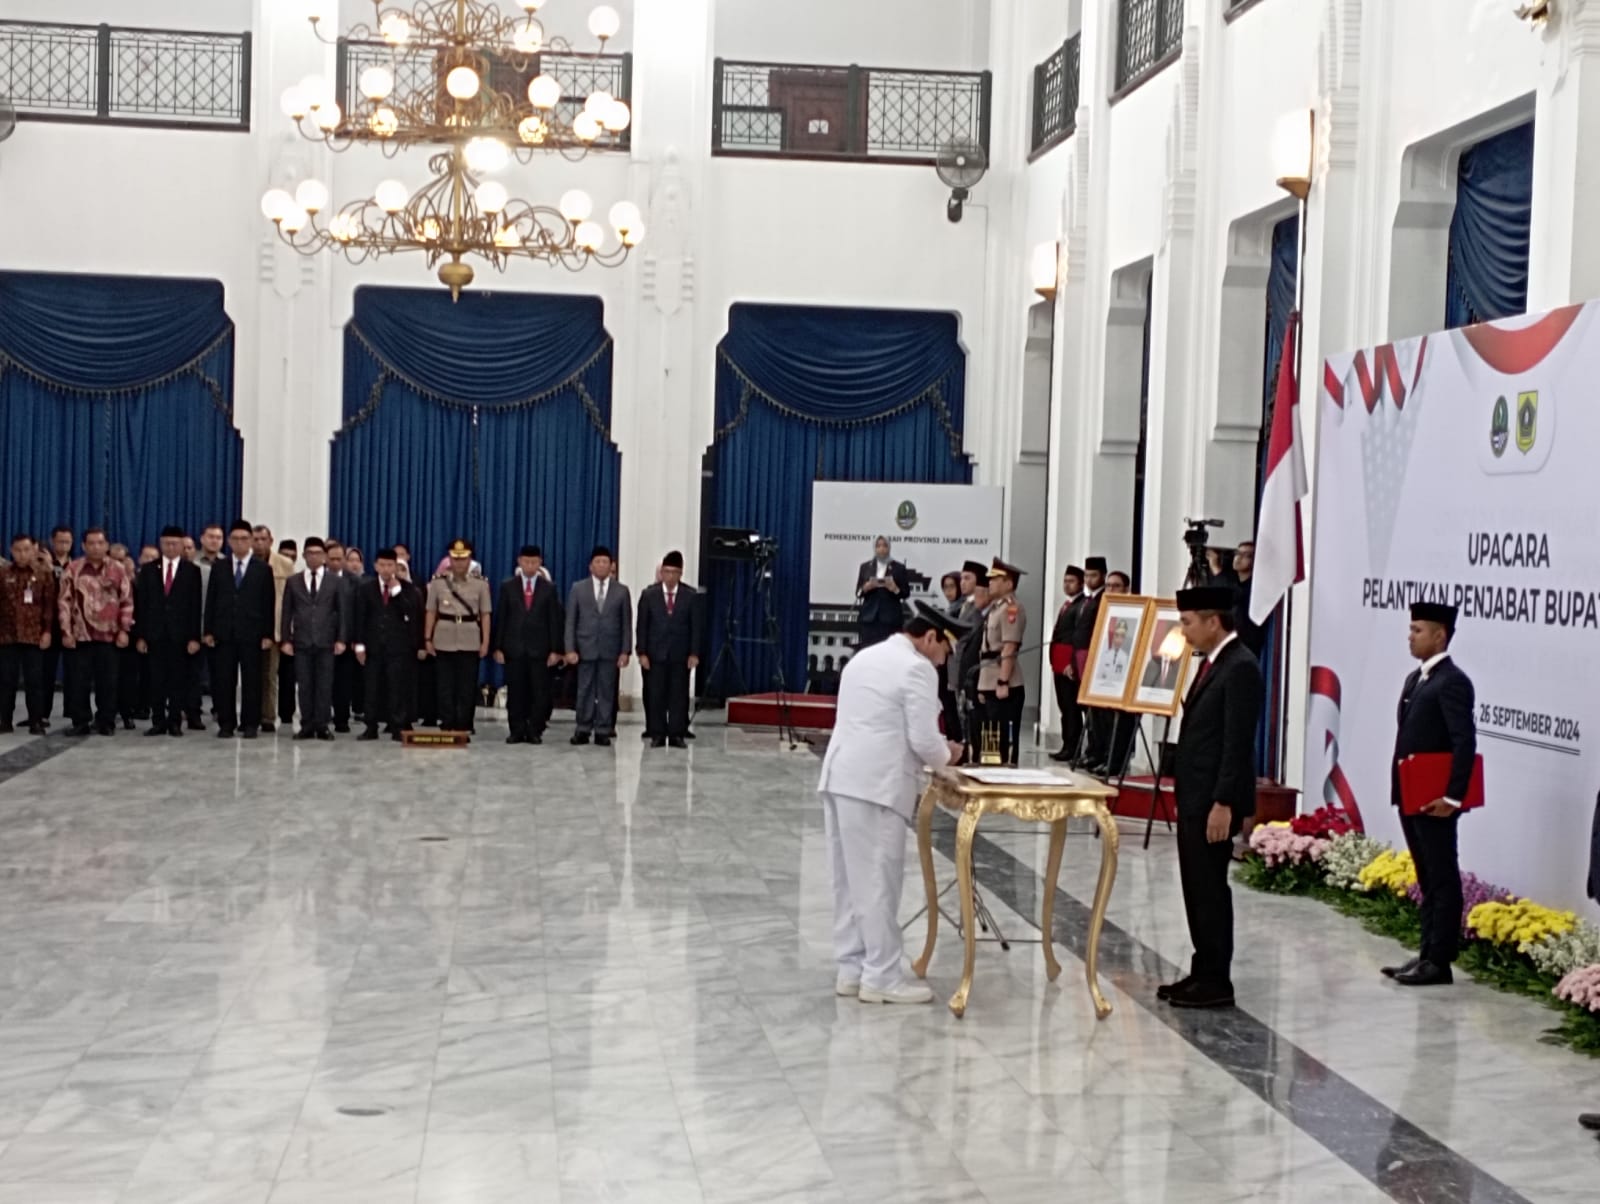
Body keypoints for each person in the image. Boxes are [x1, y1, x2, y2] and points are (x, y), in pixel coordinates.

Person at [817, 601, 968, 1004]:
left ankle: (852, 968)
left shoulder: (865, 657)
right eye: (945, 651)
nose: (942, 661)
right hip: (877, 786)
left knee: (849, 881)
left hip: (840, 776)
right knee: (879, 882)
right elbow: (922, 739)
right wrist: (948, 754)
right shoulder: (915, 668)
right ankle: (881, 976)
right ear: (931, 637)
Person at [1160, 585, 1263, 1010]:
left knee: (1210, 889)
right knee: (1195, 887)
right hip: (1197, 796)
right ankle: (1203, 969)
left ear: (1212, 621)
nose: (1183, 632)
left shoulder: (1240, 667)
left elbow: (1237, 744)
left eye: (1187, 623)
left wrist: (1223, 802)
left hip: (1213, 802)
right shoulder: (1214, 663)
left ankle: (1217, 979)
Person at [1384, 601, 1476, 988]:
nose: (1410, 636)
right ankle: (1426, 953)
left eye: (1418, 630)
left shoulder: (1453, 681)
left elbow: (1463, 741)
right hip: (1411, 793)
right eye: (1410, 628)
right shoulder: (1415, 679)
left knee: (1442, 876)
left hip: (1436, 799)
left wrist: (1453, 797)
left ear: (1440, 635)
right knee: (1426, 875)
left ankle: (1440, 960)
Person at [57, 527, 133, 737]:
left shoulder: (118, 569)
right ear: (83, 546)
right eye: (91, 543)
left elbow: (127, 600)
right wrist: (66, 631)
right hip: (80, 636)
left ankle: (106, 721)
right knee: (78, 682)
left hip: (109, 637)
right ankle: (80, 721)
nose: (96, 547)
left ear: (107, 545)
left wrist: (124, 630)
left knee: (108, 682)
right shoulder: (73, 569)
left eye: (100, 543)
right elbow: (64, 601)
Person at [204, 521, 276, 739]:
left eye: (245, 539)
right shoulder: (220, 567)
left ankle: (250, 723)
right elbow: (211, 601)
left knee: (252, 680)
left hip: (252, 634)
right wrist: (208, 630)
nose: (240, 543)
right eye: (235, 539)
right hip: (224, 632)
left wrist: (267, 634)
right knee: (225, 679)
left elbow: (268, 604)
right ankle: (226, 723)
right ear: (229, 541)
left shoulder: (263, 569)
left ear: (251, 542)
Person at [133, 526, 203, 738]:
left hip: (180, 636)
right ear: (161, 544)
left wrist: (193, 637)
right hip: (155, 635)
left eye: (175, 544)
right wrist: (141, 636)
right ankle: (158, 721)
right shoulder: (148, 570)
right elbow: (141, 605)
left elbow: (195, 606)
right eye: (166, 543)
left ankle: (174, 722)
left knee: (177, 680)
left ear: (182, 545)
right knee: (156, 680)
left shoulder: (191, 571)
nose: (170, 547)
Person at [493, 545, 564, 745]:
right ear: (519, 562)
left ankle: (534, 730)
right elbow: (502, 618)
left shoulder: (549, 588)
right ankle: (516, 730)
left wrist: (555, 650)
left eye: (534, 562)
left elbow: (554, 621)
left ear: (540, 563)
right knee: (516, 692)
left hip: (539, 650)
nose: (530, 565)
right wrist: (498, 647)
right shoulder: (508, 586)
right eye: (526, 562)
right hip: (514, 648)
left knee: (539, 692)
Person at [354, 549, 426, 741]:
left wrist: (397, 592)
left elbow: (413, 615)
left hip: (399, 647)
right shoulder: (366, 588)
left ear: (395, 566)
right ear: (375, 566)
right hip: (373, 646)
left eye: (390, 565)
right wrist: (359, 644)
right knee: (371, 688)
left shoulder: (408, 589)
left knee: (397, 687)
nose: (386, 569)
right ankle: (370, 726)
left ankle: (397, 725)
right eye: (382, 565)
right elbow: (360, 617)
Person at [280, 536, 347, 740]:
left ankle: (323, 724)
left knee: (324, 685)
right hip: (301, 641)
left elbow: (342, 612)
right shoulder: (293, 581)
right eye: (310, 553)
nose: (314, 557)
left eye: (319, 553)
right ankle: (307, 724)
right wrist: (285, 639)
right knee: (304, 685)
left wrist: (341, 639)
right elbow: (286, 612)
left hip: (326, 641)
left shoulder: (335, 582)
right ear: (304, 556)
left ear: (325, 556)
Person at [564, 546, 632, 747]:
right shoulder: (579, 588)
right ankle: (582, 728)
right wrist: (569, 649)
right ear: (590, 566)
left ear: (611, 566)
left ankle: (603, 729)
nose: (601, 565)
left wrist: (625, 651)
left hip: (610, 650)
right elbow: (571, 622)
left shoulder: (621, 591)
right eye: (598, 562)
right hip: (584, 649)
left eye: (605, 562)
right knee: (584, 689)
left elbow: (626, 623)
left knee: (606, 690)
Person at [636, 550, 704, 749]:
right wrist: (642, 652)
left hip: (680, 655)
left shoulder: (690, 596)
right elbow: (642, 626)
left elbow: (696, 627)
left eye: (675, 572)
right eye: (667, 572)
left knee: (678, 695)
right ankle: (657, 733)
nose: (670, 576)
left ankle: (676, 734)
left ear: (680, 574)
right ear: (662, 573)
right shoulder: (649, 595)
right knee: (655, 694)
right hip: (655, 654)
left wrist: (694, 653)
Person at [425, 540, 492, 736]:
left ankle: (465, 722)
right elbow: (430, 611)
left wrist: (485, 641)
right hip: (444, 636)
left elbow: (486, 614)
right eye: (455, 559)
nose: (459, 563)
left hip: (470, 636)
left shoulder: (480, 584)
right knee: (445, 685)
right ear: (449, 559)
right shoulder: (438, 583)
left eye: (463, 559)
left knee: (467, 685)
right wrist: (427, 638)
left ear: (469, 560)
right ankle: (447, 721)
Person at [0, 534, 58, 735]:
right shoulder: (3, 572)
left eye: (26, 549)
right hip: (7, 636)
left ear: (34, 549)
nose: (22, 554)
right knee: (6, 680)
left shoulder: (43, 574)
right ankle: (5, 721)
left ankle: (36, 720)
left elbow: (49, 606)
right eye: (17, 550)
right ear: (11, 550)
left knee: (35, 681)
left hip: (34, 635)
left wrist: (48, 631)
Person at [976, 558, 1026, 766]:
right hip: (987, 675)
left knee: (1001, 736)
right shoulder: (995, 608)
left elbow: (1009, 647)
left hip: (1003, 679)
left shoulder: (1012, 609)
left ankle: (1003, 772)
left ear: (1009, 583)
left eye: (996, 579)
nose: (990, 583)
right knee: (989, 736)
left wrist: (1002, 681)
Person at [252, 526, 294, 733]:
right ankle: (250, 714)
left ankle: (268, 716)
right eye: (256, 539)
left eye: (263, 539)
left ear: (271, 540)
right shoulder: (245, 564)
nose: (259, 543)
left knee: (270, 675)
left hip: (274, 628)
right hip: (248, 627)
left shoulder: (284, 565)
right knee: (250, 675)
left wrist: (286, 631)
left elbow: (290, 600)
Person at [186, 522, 225, 731]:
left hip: (219, 628)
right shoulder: (191, 563)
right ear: (202, 539)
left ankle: (221, 709)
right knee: (193, 673)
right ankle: (193, 712)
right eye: (210, 537)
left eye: (218, 537)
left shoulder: (227, 564)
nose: (214, 541)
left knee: (220, 673)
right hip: (195, 625)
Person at [1076, 556, 1111, 766]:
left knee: (1100, 715)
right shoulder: (1086, 600)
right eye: (1087, 575)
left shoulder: (1103, 600)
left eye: (1094, 575)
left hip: (1096, 660)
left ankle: (1101, 754)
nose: (1089, 580)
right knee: (1088, 713)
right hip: (1081, 659)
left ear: (1103, 576)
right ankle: (1092, 751)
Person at [1050, 565, 1087, 763]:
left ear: (1081, 584)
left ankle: (1073, 747)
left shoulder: (1081, 606)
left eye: (1071, 581)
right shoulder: (1067, 605)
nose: (1067, 585)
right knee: (1064, 707)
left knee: (1072, 708)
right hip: (1058, 662)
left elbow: (1077, 637)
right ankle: (1066, 744)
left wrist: (1072, 663)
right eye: (1065, 581)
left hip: (1070, 664)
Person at [854, 536, 909, 650]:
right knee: (868, 651)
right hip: (869, 619)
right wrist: (866, 588)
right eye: (878, 546)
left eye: (885, 545)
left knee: (889, 652)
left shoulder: (898, 567)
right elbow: (858, 593)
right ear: (874, 548)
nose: (881, 549)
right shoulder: (865, 567)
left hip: (891, 620)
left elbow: (906, 593)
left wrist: (894, 588)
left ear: (889, 547)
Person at [274, 538, 300, 730]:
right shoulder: (271, 571)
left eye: (292, 556)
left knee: (288, 676)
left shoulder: (299, 579)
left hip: (293, 634)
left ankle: (287, 714)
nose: (288, 558)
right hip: (273, 630)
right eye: (285, 555)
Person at [1232, 540, 1267, 657]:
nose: (1238, 558)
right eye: (1237, 553)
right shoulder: (1236, 585)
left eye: (1245, 555)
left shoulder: (1253, 592)